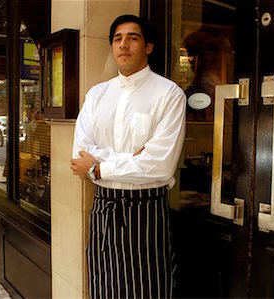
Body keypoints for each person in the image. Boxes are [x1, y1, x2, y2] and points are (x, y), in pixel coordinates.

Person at [70, 14, 186, 299]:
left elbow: (159, 165)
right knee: (103, 287)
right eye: (118, 39)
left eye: (133, 38)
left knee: (148, 289)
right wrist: (130, 159)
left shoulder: (169, 94)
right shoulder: (97, 95)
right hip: (103, 207)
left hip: (145, 209)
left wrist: (99, 167)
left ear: (148, 46)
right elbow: (79, 154)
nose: (124, 45)